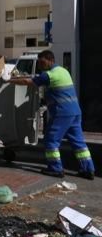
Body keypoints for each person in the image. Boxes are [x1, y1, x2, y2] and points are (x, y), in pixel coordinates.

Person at [9, 50, 95, 179]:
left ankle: (55, 168)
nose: (40, 65)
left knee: (51, 140)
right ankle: (88, 169)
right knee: (78, 142)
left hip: (62, 113)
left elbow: (29, 82)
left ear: (50, 60)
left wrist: (10, 80)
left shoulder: (49, 75)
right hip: (75, 112)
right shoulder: (63, 71)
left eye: (42, 62)